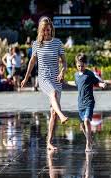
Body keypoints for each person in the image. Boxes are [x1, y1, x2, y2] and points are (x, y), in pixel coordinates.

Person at [21, 16, 68, 150]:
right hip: (44, 78)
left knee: (52, 112)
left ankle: (49, 142)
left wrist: (62, 72)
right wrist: (26, 78)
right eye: (44, 30)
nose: (47, 32)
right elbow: (32, 62)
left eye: (48, 30)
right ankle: (62, 115)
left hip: (56, 78)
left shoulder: (58, 43)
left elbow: (64, 61)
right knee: (52, 94)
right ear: (41, 31)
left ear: (51, 29)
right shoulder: (36, 44)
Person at [74, 53, 107, 152]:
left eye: (82, 65)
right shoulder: (76, 75)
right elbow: (76, 84)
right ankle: (89, 139)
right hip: (80, 103)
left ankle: (88, 144)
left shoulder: (89, 74)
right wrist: (64, 82)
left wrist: (102, 85)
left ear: (86, 64)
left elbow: (96, 82)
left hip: (89, 101)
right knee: (82, 126)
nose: (80, 67)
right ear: (76, 65)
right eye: (79, 66)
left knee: (87, 120)